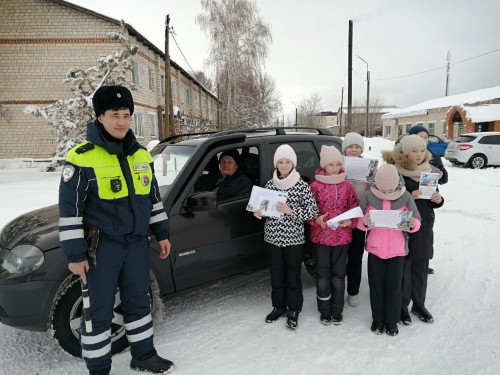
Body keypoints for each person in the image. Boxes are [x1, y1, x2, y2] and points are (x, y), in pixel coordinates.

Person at [58, 85, 174, 375]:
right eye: (114, 115)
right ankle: (98, 369)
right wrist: (75, 254)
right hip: (102, 249)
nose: (121, 121)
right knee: (97, 310)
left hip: (135, 244)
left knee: (138, 300)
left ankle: (144, 355)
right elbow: (70, 211)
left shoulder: (141, 157)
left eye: (126, 115)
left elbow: (153, 200)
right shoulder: (82, 157)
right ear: (100, 117)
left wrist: (162, 233)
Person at [254, 144, 318, 330]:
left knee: (292, 274)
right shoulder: (270, 184)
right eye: (280, 162)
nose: (283, 165)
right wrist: (260, 212)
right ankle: (279, 306)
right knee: (276, 274)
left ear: (293, 163)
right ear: (276, 164)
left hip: (293, 239)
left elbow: (312, 211)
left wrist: (291, 211)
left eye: (287, 161)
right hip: (273, 237)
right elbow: (265, 208)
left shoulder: (301, 185)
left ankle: (294, 308)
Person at [383, 135, 444, 326]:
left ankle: (419, 304)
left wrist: (438, 200)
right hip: (405, 225)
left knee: (421, 266)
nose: (419, 155)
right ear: (405, 153)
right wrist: (409, 196)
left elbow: (436, 199)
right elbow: (388, 200)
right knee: (405, 268)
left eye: (421, 150)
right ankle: (402, 305)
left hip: (424, 225)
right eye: (414, 151)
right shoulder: (396, 173)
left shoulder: (428, 172)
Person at [357, 164, 421, 336]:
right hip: (375, 250)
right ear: (377, 184)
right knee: (376, 286)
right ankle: (377, 319)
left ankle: (392, 321)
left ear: (397, 183)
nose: (386, 192)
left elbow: (416, 218)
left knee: (394, 287)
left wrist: (414, 224)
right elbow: (358, 220)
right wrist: (365, 222)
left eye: (390, 188)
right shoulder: (369, 196)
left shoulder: (406, 196)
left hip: (397, 251)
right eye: (382, 189)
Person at [307, 146, 359, 325]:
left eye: (338, 164)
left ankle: (337, 310)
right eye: (331, 164)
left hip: (342, 238)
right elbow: (308, 212)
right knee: (322, 276)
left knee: (338, 275)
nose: (335, 168)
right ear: (323, 165)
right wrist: (316, 220)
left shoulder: (347, 185)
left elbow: (355, 207)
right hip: (321, 238)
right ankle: (324, 310)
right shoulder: (314, 186)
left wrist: (350, 222)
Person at [408, 125, 448, 275]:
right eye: (420, 136)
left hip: (425, 211)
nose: (423, 140)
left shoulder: (432, 157)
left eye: (425, 137)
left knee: (423, 241)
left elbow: (442, 180)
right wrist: (408, 195)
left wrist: (438, 199)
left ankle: (423, 264)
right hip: (409, 213)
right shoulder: (400, 163)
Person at [342, 132, 370, 307]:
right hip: (340, 218)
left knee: (355, 257)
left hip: (359, 218)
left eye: (357, 147)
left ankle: (353, 291)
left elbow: (376, 189)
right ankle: (336, 289)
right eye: (350, 146)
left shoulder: (368, 166)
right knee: (338, 258)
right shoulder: (336, 164)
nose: (353, 150)